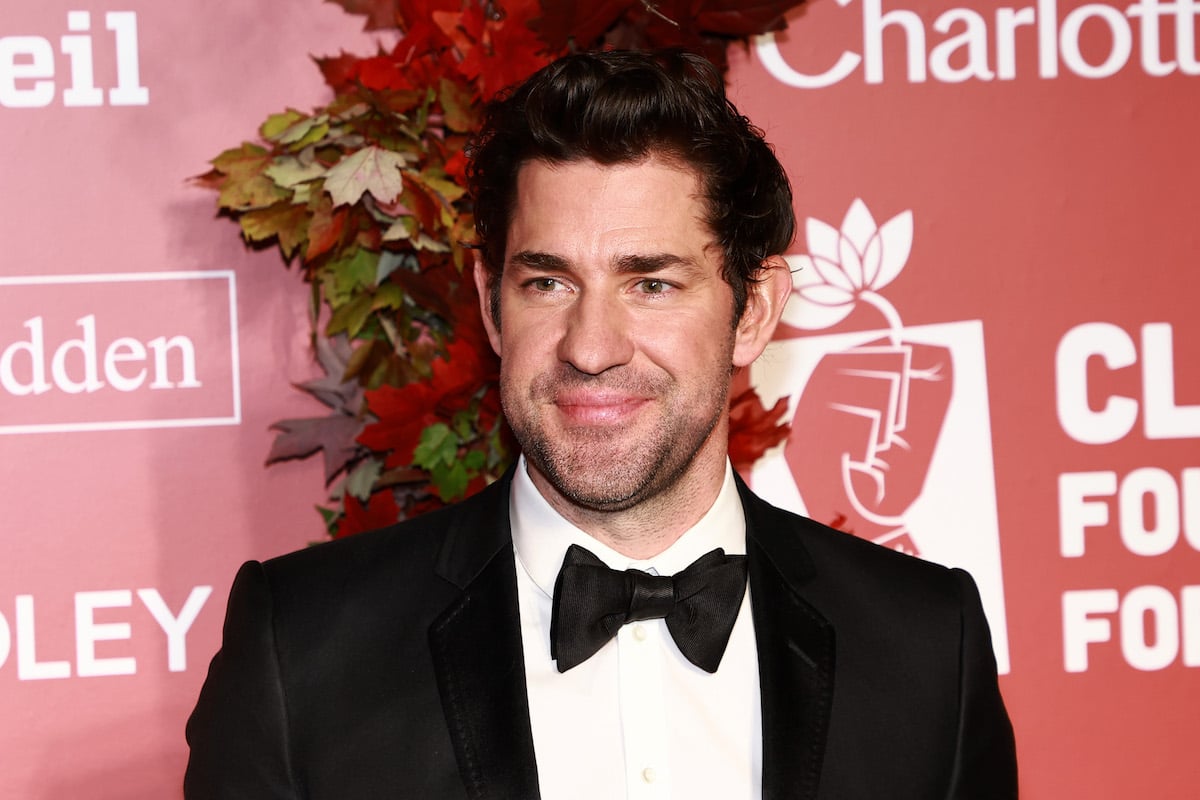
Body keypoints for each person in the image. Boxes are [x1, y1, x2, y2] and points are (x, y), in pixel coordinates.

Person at [184, 49, 1017, 799]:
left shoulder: (923, 645)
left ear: (754, 311)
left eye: (651, 283)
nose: (589, 348)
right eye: (547, 283)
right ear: (491, 305)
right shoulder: (301, 651)